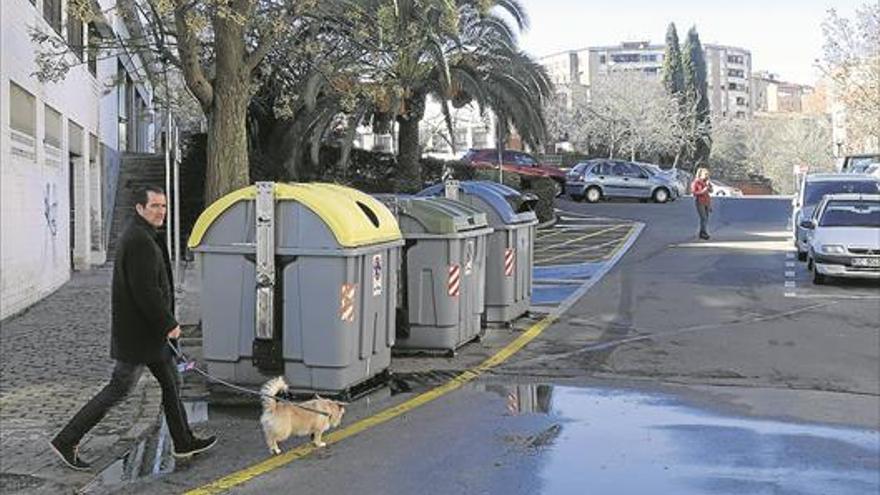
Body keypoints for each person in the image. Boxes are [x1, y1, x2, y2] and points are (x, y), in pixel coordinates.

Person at [49, 185, 216, 471]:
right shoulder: (139, 240)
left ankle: (182, 441)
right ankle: (67, 439)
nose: (160, 211)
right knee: (120, 388)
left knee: (172, 384)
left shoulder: (142, 235)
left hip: (148, 337)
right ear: (139, 208)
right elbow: (146, 291)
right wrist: (169, 324)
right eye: (154, 206)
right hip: (140, 338)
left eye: (163, 206)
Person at [691, 168, 714, 239]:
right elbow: (694, 193)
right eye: (705, 174)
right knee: (703, 218)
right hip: (700, 202)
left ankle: (702, 233)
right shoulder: (696, 182)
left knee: (706, 218)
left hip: (707, 201)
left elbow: (711, 191)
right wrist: (703, 191)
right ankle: (703, 233)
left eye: (708, 174)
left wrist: (709, 186)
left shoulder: (706, 182)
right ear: (701, 174)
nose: (707, 176)